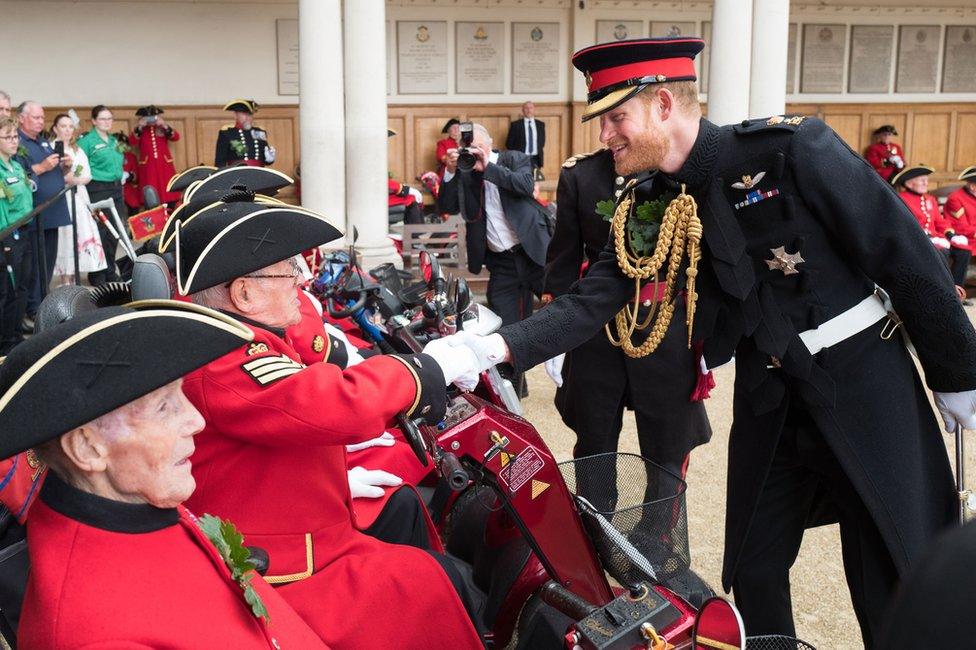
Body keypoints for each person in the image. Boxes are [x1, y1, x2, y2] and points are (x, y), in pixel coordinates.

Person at [439, 37, 976, 648]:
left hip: (859, 378)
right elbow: (597, 295)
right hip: (770, 393)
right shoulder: (646, 200)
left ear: (663, 104)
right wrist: (491, 349)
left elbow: (901, 250)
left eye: (616, 118)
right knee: (752, 567)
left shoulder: (790, 150)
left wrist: (956, 370)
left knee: (887, 563)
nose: (606, 135)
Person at [169, 195, 484, 649]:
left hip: (292, 519)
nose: (300, 281)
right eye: (286, 273)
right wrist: (422, 370)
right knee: (428, 582)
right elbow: (325, 404)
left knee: (427, 570)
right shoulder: (223, 355)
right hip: (272, 559)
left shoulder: (240, 338)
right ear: (243, 293)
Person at [0, 301, 334, 648]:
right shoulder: (100, 636)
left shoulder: (132, 501)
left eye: (181, 394)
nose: (196, 421)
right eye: (164, 407)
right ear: (87, 448)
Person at [544, 146, 712, 483]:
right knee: (594, 447)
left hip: (665, 329)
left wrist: (712, 327)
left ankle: (661, 535)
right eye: (604, 119)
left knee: (668, 451)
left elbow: (704, 256)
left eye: (619, 117)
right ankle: (597, 531)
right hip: (596, 330)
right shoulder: (581, 174)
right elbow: (563, 257)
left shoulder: (683, 169)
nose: (608, 131)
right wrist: (555, 331)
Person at [437, 122, 552, 395]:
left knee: (562, 312)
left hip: (535, 253)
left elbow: (525, 185)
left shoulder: (514, 158)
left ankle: (573, 379)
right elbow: (447, 206)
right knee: (505, 328)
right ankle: (514, 391)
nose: (472, 153)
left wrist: (488, 167)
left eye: (476, 147)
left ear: (488, 145)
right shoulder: (465, 170)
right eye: (467, 148)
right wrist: (452, 172)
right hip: (501, 262)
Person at [17, 101, 72, 322]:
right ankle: (33, 309)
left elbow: (53, 174)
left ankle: (42, 303)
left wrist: (63, 167)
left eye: (42, 118)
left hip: (53, 212)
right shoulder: (19, 143)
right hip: (35, 215)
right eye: (36, 117)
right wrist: (43, 167)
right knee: (34, 267)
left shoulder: (43, 142)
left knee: (47, 264)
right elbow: (24, 176)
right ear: (21, 118)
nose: (41, 121)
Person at [891, 165, 971, 300]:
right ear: (909, 183)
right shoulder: (902, 198)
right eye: (922, 180)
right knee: (942, 253)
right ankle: (941, 293)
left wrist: (951, 235)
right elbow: (906, 224)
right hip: (917, 240)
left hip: (937, 239)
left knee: (964, 252)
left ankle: (956, 293)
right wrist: (927, 237)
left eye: (926, 180)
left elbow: (940, 221)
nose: (926, 183)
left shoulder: (930, 199)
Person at [49, 113, 106, 284]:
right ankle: (65, 275)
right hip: (61, 195)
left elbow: (88, 174)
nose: (67, 130)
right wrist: (66, 178)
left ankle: (76, 274)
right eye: (63, 126)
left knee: (80, 232)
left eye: (70, 126)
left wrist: (77, 180)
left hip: (79, 194)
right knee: (64, 234)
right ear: (55, 128)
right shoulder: (51, 147)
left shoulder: (77, 149)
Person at [78, 105, 126, 286]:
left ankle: (109, 269)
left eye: (109, 119)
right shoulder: (87, 141)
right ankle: (97, 272)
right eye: (103, 119)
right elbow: (80, 165)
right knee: (100, 231)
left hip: (116, 189)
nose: (107, 122)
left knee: (115, 231)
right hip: (97, 188)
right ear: (94, 121)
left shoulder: (114, 141)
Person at [0, 117, 34, 354]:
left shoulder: (17, 165)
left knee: (22, 286)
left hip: (24, 230)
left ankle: (15, 334)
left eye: (15, 137)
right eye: (8, 137)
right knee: (7, 291)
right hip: (8, 235)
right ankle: (5, 341)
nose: (14, 141)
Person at [132, 104, 181, 204]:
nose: (150, 120)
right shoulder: (140, 130)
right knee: (151, 188)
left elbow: (176, 137)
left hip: (164, 164)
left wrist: (164, 125)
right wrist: (140, 126)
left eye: (153, 117)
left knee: (167, 188)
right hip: (148, 166)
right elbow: (132, 142)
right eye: (147, 117)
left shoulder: (162, 128)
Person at [214, 99, 275, 168]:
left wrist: (270, 160)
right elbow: (220, 161)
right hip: (237, 174)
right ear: (235, 115)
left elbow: (264, 159)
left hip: (259, 174)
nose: (248, 118)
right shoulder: (227, 133)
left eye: (250, 114)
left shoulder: (259, 132)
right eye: (244, 114)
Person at [943, 165, 976, 292]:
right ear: (973, 186)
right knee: (963, 253)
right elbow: (960, 226)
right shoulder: (955, 198)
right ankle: (959, 292)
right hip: (966, 238)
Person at [505, 101, 546, 177]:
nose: (529, 110)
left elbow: (542, 142)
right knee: (521, 180)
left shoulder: (540, 125)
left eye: (531, 108)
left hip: (536, 159)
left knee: (535, 181)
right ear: (522, 110)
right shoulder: (515, 125)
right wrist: (517, 155)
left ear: (534, 109)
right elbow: (509, 144)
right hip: (521, 158)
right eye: (526, 108)